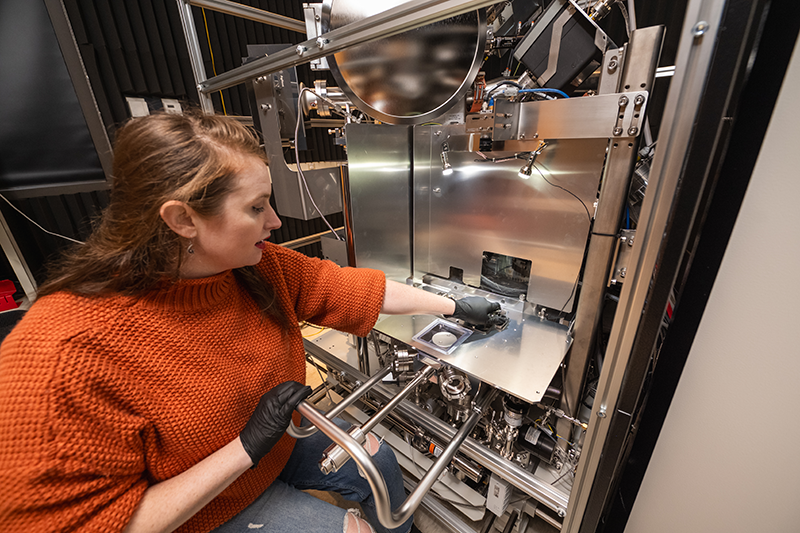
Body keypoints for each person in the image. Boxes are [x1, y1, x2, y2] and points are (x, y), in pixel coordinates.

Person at [0, 111, 499, 533]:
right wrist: (243, 448)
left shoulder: (255, 267)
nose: (276, 222)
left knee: (380, 463)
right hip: (207, 505)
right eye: (256, 207)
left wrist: (451, 305)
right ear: (182, 220)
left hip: (279, 442)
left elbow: (343, 288)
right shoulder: (62, 352)